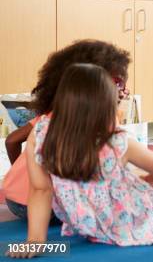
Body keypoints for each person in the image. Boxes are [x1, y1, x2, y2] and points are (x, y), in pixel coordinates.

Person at [8, 64, 153, 258]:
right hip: (133, 218)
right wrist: (152, 180)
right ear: (105, 104)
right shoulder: (116, 141)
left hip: (90, 226)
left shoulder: (40, 134)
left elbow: (40, 189)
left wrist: (34, 241)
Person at [2, 39, 131, 221]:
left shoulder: (49, 116)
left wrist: (26, 172)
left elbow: (11, 140)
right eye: (118, 84)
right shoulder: (105, 118)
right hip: (51, 209)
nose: (123, 92)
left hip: (14, 201)